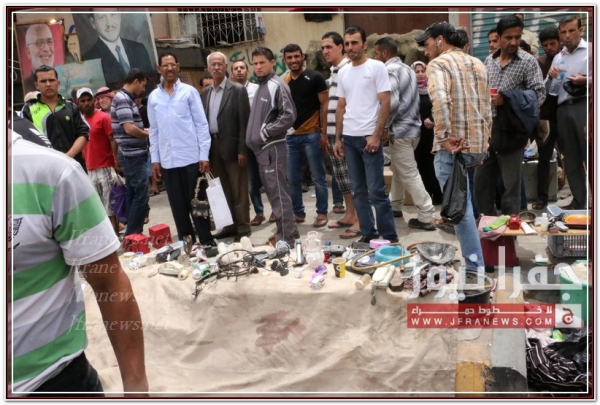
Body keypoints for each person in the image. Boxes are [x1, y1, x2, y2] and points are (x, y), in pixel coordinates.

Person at [9, 131, 148, 397]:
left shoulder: (52, 173)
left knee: (114, 203)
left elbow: (109, 283)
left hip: (49, 384)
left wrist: (136, 390)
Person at [416, 21, 491, 273]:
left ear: (440, 40)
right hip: (474, 146)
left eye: (427, 44)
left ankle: (474, 269)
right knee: (464, 206)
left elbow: (440, 100)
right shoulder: (478, 63)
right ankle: (475, 264)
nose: (426, 50)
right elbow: (487, 107)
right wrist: (483, 145)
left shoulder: (438, 64)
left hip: (452, 149)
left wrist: (443, 136)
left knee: (460, 211)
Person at [333, 26, 398, 244]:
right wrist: (338, 139)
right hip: (349, 138)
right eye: (347, 43)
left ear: (364, 45)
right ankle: (368, 233)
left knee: (377, 191)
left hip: (368, 138)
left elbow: (385, 102)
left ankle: (389, 236)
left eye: (354, 43)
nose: (350, 47)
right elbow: (341, 106)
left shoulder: (376, 67)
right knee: (358, 191)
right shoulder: (343, 72)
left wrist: (376, 136)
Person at [475, 15, 545, 216]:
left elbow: (539, 95)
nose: (514, 42)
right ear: (498, 37)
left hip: (512, 131)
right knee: (481, 183)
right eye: (508, 37)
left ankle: (511, 227)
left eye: (517, 37)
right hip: (488, 130)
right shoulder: (489, 61)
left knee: (511, 187)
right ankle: (488, 225)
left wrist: (508, 100)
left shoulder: (528, 62)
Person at [148, 53, 215, 245]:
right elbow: (154, 130)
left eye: (172, 65)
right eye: (165, 65)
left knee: (198, 201)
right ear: (159, 69)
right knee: (178, 206)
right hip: (168, 161)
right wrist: (155, 159)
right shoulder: (153, 97)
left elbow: (201, 124)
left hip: (191, 158)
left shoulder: (189, 92)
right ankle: (188, 243)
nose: (169, 68)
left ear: (178, 67)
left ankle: (206, 240)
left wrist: (204, 155)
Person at [373, 36, 435, 231]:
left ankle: (426, 215)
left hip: (399, 130)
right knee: (399, 169)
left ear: (384, 53)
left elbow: (391, 102)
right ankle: (396, 205)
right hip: (413, 130)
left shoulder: (388, 70)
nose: (375, 57)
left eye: (376, 53)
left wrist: (383, 126)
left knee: (408, 172)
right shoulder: (408, 69)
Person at [246, 46, 298, 247]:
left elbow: (289, 115)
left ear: (272, 63)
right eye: (255, 63)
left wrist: (265, 133)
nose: (258, 67)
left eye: (262, 63)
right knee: (274, 195)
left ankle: (286, 239)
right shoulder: (261, 85)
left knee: (279, 195)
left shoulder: (277, 85)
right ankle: (287, 232)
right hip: (262, 150)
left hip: (273, 148)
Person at [201, 52, 252, 242]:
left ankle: (243, 226)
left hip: (233, 146)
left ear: (225, 67)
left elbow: (245, 122)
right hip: (213, 146)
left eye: (219, 64)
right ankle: (229, 225)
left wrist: (242, 150)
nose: (216, 68)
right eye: (213, 64)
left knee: (238, 188)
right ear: (208, 68)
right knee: (221, 189)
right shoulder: (205, 93)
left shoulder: (237, 90)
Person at [282, 43, 330, 228]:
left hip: (312, 135)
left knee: (318, 177)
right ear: (285, 60)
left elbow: (324, 105)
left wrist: (323, 133)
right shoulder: (284, 81)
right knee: (292, 178)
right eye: (289, 57)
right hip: (290, 138)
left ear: (302, 57)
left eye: (296, 56)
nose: (293, 60)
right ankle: (298, 213)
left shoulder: (315, 77)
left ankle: (322, 213)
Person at [320, 31, 361, 239]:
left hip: (345, 134)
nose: (325, 51)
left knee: (353, 179)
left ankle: (359, 219)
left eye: (329, 47)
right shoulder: (335, 71)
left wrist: (339, 136)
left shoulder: (347, 69)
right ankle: (350, 214)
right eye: (323, 48)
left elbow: (346, 106)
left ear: (340, 47)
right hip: (332, 133)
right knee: (342, 178)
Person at [548, 16, 590, 210]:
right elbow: (551, 90)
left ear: (580, 30)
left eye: (571, 31)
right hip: (563, 108)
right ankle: (579, 202)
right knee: (571, 158)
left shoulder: (591, 51)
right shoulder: (559, 57)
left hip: (585, 106)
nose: (567, 36)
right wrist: (550, 77)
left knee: (591, 155)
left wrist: (586, 80)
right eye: (563, 32)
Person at [21, 65, 89, 171]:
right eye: (43, 81)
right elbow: (25, 141)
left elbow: (84, 133)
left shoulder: (71, 107)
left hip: (75, 166)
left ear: (58, 83)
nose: (48, 84)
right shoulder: (28, 109)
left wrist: (68, 156)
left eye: (51, 80)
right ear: (36, 85)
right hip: (45, 169)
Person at [111, 68, 150, 236]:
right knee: (141, 195)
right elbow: (129, 128)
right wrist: (147, 134)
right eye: (143, 85)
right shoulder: (122, 99)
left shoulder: (126, 98)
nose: (143, 89)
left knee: (134, 194)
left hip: (132, 154)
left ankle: (132, 236)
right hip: (132, 155)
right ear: (136, 81)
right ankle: (134, 234)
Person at [76, 87, 120, 235]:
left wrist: (115, 161)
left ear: (94, 101)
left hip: (106, 166)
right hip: (90, 168)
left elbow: (112, 139)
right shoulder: (80, 121)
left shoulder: (103, 117)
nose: (86, 103)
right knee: (98, 207)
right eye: (83, 101)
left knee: (110, 206)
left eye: (89, 100)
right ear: (78, 103)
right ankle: (107, 236)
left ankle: (115, 236)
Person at [231, 59, 268, 227]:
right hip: (244, 143)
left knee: (267, 177)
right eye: (236, 68)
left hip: (261, 141)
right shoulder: (231, 92)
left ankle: (276, 210)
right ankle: (259, 212)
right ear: (232, 73)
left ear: (247, 71)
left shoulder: (257, 89)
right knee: (252, 181)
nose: (239, 70)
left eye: (242, 67)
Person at [84, 12, 155, 89]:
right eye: (102, 17)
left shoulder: (139, 48)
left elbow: (150, 84)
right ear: (93, 22)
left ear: (119, 16)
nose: (109, 24)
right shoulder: (89, 59)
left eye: (113, 15)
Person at [532, 26, 562, 210]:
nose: (550, 47)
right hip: (546, 118)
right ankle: (541, 197)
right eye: (546, 45)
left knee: (575, 156)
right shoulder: (540, 63)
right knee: (544, 158)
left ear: (559, 42)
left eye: (552, 43)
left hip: (565, 113)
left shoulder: (567, 59)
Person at [411, 61, 443, 206]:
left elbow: (438, 107)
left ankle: (438, 193)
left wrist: (432, 119)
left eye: (422, 71)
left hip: (432, 133)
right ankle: (425, 195)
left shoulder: (432, 88)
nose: (420, 74)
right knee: (420, 164)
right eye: (416, 71)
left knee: (433, 164)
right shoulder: (411, 91)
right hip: (417, 133)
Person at [22, 24, 55, 93]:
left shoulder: (64, 79)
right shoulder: (25, 87)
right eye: (39, 43)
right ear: (28, 52)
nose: (46, 48)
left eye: (49, 42)